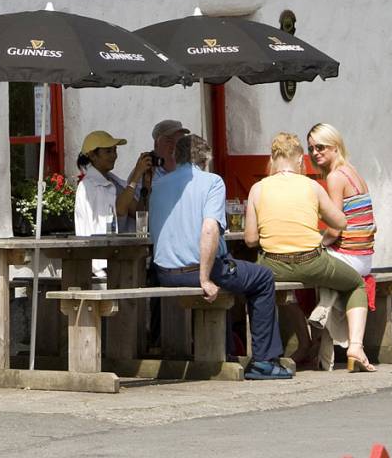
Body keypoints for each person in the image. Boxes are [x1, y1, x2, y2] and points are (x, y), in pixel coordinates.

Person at [149, 133, 292, 380]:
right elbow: (209, 229)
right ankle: (264, 361)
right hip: (197, 270)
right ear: (205, 159)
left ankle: (225, 351)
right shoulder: (212, 181)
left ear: (176, 156)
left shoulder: (159, 185)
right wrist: (204, 278)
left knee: (230, 280)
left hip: (164, 273)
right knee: (263, 277)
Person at [243, 132, 376, 373]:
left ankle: (270, 353)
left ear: (273, 160)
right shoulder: (312, 186)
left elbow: (251, 240)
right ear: (299, 160)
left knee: (260, 288)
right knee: (356, 284)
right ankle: (355, 347)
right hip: (313, 262)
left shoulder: (257, 189)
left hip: (273, 265)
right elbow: (341, 222)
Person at [306, 123, 376, 276]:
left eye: (320, 147)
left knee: (302, 261)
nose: (315, 153)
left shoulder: (335, 177)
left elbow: (334, 230)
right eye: (311, 149)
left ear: (335, 146)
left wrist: (317, 245)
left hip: (348, 259)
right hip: (365, 259)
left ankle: (320, 301)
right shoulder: (352, 170)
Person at [74, 130, 152, 236]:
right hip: (100, 249)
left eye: (115, 150)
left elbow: (138, 213)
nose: (114, 156)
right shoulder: (90, 185)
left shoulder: (114, 182)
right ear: (92, 155)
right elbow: (118, 211)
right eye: (108, 152)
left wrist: (146, 183)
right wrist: (136, 175)